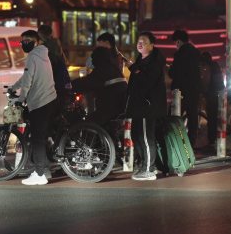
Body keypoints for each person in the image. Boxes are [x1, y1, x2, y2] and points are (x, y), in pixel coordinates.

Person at [11, 29, 59, 186]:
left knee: (37, 139)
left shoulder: (32, 56)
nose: (25, 43)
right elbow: (27, 76)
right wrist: (14, 86)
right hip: (50, 99)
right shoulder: (43, 54)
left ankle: (39, 174)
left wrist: (21, 98)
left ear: (36, 41)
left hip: (39, 102)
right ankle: (44, 170)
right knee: (41, 137)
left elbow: (28, 80)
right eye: (22, 41)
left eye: (28, 40)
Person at [125, 31, 167, 181]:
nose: (140, 43)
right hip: (139, 105)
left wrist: (134, 69)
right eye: (138, 41)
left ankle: (149, 169)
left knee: (145, 136)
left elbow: (146, 82)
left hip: (147, 106)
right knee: (136, 134)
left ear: (151, 45)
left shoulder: (154, 62)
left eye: (143, 41)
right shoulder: (141, 61)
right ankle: (145, 164)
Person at [71, 46, 127, 127]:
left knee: (86, 124)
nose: (92, 60)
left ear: (98, 57)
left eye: (93, 57)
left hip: (110, 109)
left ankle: (88, 139)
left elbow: (87, 82)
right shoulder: (113, 68)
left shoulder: (103, 69)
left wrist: (70, 85)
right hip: (120, 108)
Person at [169, 29, 202, 147]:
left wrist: (170, 69)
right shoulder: (196, 52)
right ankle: (191, 143)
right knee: (193, 117)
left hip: (181, 92)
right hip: (194, 90)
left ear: (178, 42)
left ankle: (175, 142)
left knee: (173, 117)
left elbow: (174, 73)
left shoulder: (179, 54)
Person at [37, 24, 71, 106]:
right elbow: (65, 61)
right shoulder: (57, 44)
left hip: (50, 85)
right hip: (62, 82)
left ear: (40, 35)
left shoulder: (42, 48)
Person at [200, 51, 224, 147]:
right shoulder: (215, 65)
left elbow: (205, 82)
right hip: (219, 92)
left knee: (212, 118)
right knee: (215, 117)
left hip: (212, 94)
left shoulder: (207, 68)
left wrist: (202, 91)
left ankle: (212, 140)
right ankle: (214, 138)